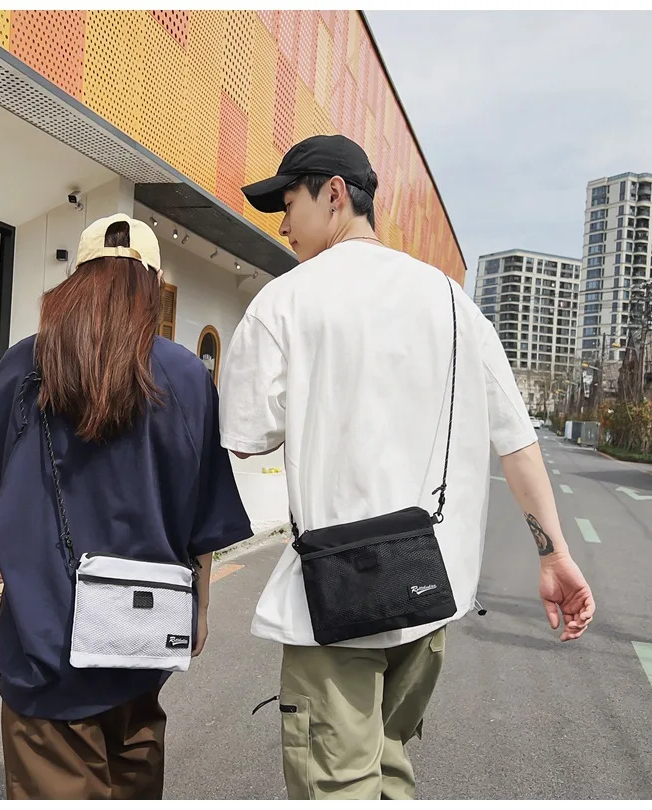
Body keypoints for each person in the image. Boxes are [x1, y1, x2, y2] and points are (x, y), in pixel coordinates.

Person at [218, 134, 595, 800]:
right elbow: (516, 440)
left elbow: (247, 438)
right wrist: (554, 554)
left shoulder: (284, 301)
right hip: (427, 592)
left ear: (334, 195)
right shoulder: (454, 303)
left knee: (337, 785)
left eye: (288, 202)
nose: (282, 224)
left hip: (335, 596)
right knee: (390, 769)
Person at [0, 213, 253, 800]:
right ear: (153, 285)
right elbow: (205, 514)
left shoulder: (30, 362)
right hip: (142, 641)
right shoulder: (186, 374)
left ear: (77, 279)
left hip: (46, 642)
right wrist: (200, 608)